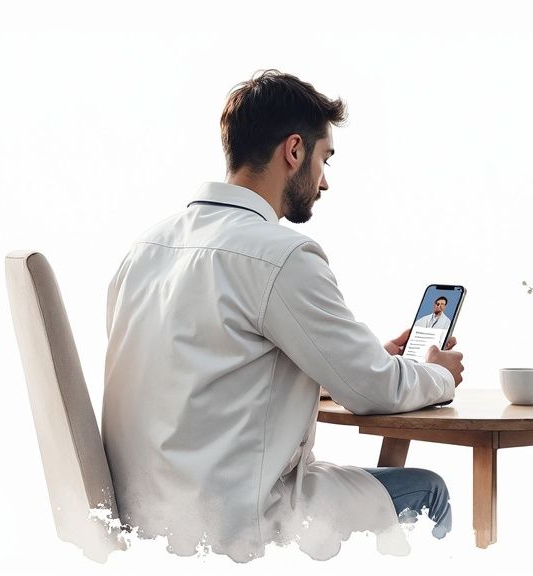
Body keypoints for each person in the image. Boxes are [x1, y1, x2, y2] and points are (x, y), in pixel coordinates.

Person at [101, 70, 465, 562]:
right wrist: (437, 375)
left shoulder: (145, 248)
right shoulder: (281, 255)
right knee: (430, 491)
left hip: (147, 524)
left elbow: (208, 377)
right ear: (293, 151)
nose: (325, 180)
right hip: (239, 527)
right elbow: (374, 391)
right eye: (323, 158)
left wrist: (347, 363)